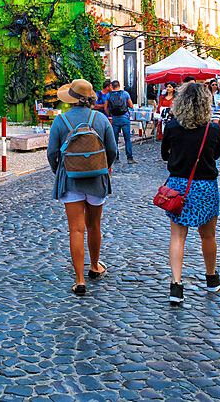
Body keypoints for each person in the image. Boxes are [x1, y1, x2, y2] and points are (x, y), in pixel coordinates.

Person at [47, 79, 118, 296]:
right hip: (97, 179)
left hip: (71, 179)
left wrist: (59, 170)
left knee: (76, 229)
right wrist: (105, 167)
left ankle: (79, 280)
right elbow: (113, 150)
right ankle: (95, 267)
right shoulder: (101, 119)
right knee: (94, 224)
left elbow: (51, 153)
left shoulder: (61, 121)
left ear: (72, 100)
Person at [160, 82, 220, 305]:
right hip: (205, 185)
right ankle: (211, 277)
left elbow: (164, 156)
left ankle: (176, 285)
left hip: (179, 186)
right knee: (208, 235)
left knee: (178, 236)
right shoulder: (213, 129)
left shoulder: (172, 127)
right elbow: (215, 155)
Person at [104, 79, 135, 164]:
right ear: (119, 86)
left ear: (112, 87)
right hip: (125, 118)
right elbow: (131, 105)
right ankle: (130, 158)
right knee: (127, 139)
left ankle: (116, 157)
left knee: (114, 139)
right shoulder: (125, 94)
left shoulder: (108, 95)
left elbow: (105, 108)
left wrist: (110, 115)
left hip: (115, 119)